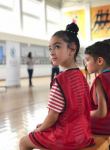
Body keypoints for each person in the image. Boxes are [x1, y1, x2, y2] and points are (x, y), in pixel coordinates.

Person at [19, 22, 94, 150]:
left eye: (57, 47)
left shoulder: (60, 81)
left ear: (72, 49)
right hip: (83, 134)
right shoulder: (81, 76)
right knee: (42, 138)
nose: (52, 52)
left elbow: (53, 116)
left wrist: (40, 129)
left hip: (67, 138)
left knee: (24, 142)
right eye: (50, 48)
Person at [85, 41, 110, 134]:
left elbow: (101, 112)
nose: (86, 64)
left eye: (87, 60)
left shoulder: (100, 80)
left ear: (100, 61)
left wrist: (85, 114)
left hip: (106, 126)